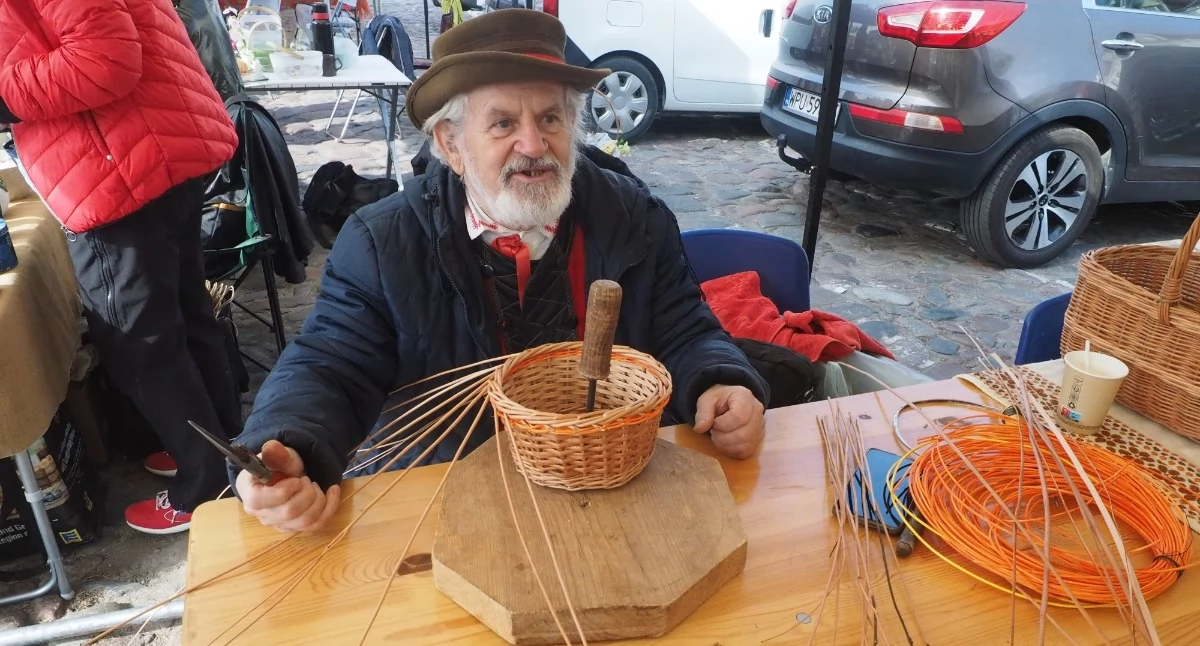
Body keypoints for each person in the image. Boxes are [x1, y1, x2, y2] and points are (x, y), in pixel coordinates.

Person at [230, 9, 770, 533]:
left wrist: (719, 381)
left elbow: (684, 326)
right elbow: (330, 365)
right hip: (445, 504)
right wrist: (291, 445)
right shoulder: (382, 243)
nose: (533, 146)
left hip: (608, 488)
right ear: (451, 145)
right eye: (503, 123)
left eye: (550, 118)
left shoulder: (632, 217)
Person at [0, 1, 243, 534]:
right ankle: (227, 449)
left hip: (119, 163)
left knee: (140, 344)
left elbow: (101, 60)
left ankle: (207, 483)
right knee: (183, 317)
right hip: (151, 144)